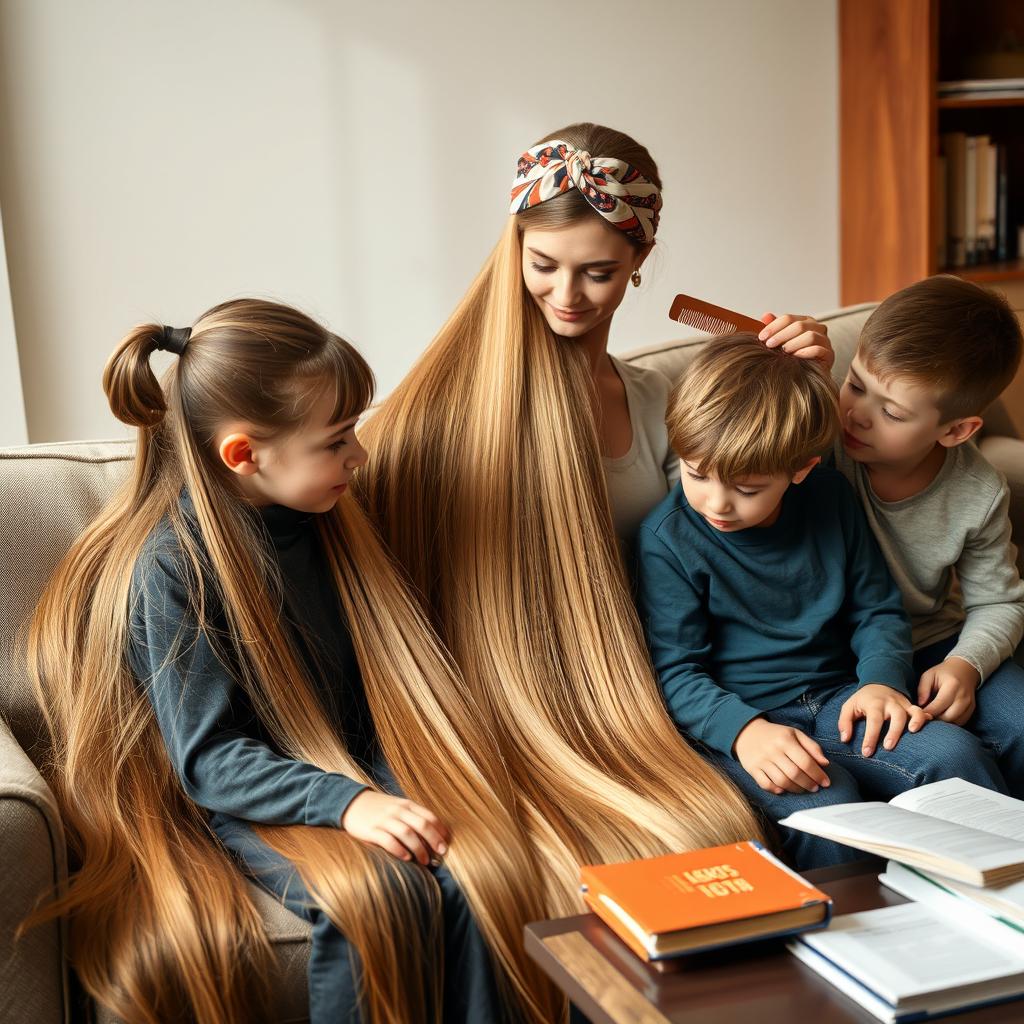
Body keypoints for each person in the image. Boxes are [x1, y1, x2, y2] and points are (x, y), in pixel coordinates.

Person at [26, 300, 564, 1024]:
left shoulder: (325, 520)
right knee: (378, 898)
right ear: (245, 455)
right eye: (337, 440)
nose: (360, 457)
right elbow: (211, 759)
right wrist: (348, 803)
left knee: (480, 871)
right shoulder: (171, 570)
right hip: (253, 792)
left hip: (353, 756)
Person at [358, 122, 821, 895]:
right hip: (515, 704)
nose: (567, 296)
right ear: (514, 251)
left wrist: (802, 394)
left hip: (646, 689)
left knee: (719, 830)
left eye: (598, 273)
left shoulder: (654, 405)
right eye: (542, 265)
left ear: (640, 262)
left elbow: (745, 531)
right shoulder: (447, 414)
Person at [636, 335, 1008, 869]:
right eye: (696, 474)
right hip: (750, 717)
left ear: (802, 469)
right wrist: (742, 732)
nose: (716, 503)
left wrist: (881, 682)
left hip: (840, 697)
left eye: (747, 488)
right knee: (830, 811)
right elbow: (674, 669)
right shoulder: (668, 537)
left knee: (955, 757)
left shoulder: (831, 496)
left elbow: (876, 609)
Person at [835, 274, 1024, 796]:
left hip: (930, 643)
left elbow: (1000, 603)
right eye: (854, 384)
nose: (857, 415)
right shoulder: (820, 437)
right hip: (838, 654)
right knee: (946, 755)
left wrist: (966, 664)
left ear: (956, 430)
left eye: (892, 412)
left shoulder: (977, 492)